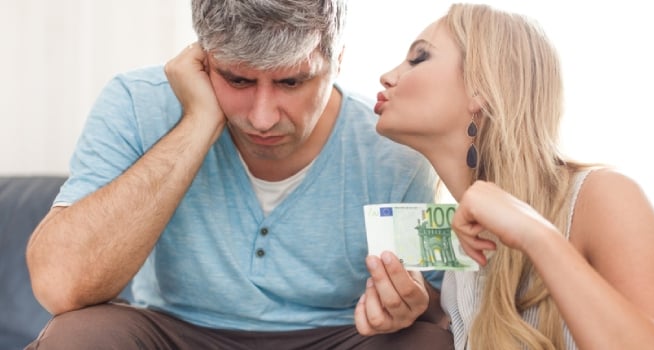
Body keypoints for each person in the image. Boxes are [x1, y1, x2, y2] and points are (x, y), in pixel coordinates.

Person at [25, 0, 453, 349]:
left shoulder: (393, 147)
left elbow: (437, 304)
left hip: (339, 336)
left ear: (338, 61)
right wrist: (197, 122)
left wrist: (409, 304)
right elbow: (61, 287)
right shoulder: (136, 103)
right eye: (238, 79)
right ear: (203, 60)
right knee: (79, 337)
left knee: (425, 342)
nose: (263, 119)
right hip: (175, 331)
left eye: (291, 82)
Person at [373, 3, 654, 350]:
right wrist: (424, 312)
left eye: (418, 58)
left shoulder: (604, 197)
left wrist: (537, 235)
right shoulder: (463, 252)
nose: (388, 76)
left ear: (480, 86)